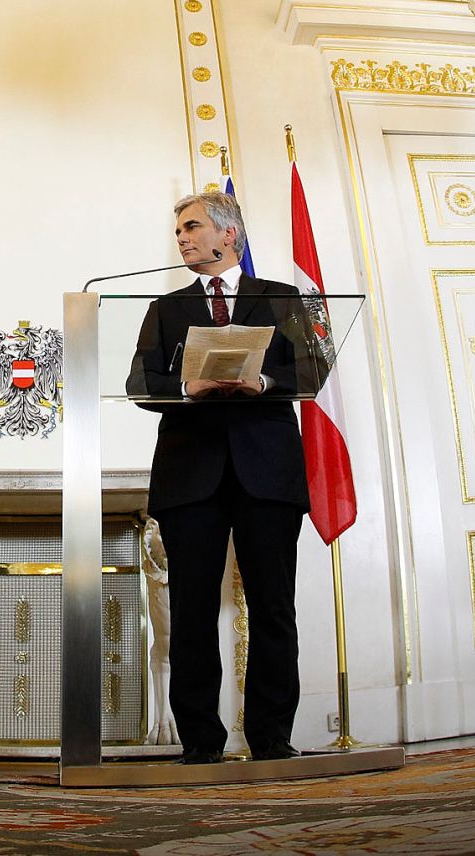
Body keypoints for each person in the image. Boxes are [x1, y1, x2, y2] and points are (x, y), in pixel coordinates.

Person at [127, 191, 321, 764]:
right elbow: (141, 382)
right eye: (178, 231)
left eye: (191, 227)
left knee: (273, 607)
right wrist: (189, 389)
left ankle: (271, 739)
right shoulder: (165, 309)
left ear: (228, 234)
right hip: (191, 475)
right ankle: (201, 744)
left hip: (268, 471)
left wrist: (261, 384)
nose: (182, 239)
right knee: (189, 611)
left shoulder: (282, 298)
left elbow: (311, 367)